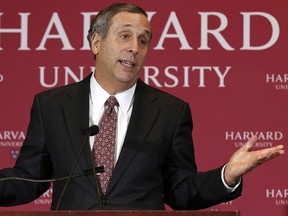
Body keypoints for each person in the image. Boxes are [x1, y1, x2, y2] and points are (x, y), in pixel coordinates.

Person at [0, 2, 284, 211]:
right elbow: (28, 179)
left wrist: (227, 176)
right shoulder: (52, 105)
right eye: (125, 36)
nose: (135, 47)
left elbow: (179, 191)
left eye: (143, 40)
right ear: (96, 42)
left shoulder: (171, 112)